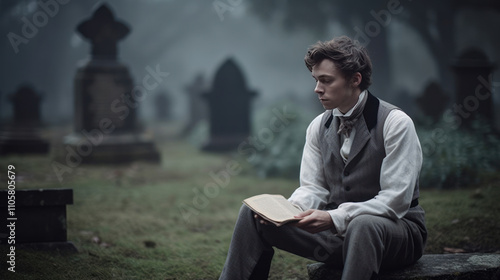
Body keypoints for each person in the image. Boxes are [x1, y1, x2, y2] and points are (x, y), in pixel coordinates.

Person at [219, 36, 427, 280]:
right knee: (251, 214)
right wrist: (290, 211)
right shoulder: (318, 126)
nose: (317, 88)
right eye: (316, 80)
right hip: (337, 239)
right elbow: (313, 188)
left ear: (355, 80)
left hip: (396, 236)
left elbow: (395, 200)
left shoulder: (396, 123)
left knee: (363, 225)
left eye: (326, 81)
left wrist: (333, 217)